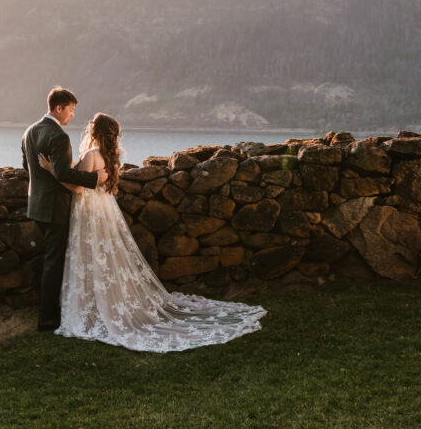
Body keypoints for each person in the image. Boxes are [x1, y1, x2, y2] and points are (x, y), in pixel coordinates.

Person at [39, 113, 266, 352]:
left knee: (91, 256)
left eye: (91, 126)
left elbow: (76, 186)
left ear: (95, 132)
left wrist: (52, 170)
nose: (88, 128)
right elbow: (92, 178)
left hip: (89, 212)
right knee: (107, 258)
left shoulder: (91, 155)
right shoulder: (110, 155)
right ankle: (104, 304)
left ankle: (93, 307)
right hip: (104, 211)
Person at [22, 87, 108, 332]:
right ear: (58, 108)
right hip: (55, 208)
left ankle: (50, 312)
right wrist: (96, 178)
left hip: (36, 205)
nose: (72, 116)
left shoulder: (29, 131)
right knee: (53, 263)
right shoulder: (58, 136)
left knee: (49, 260)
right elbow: (63, 174)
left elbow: (27, 167)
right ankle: (48, 320)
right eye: (70, 110)